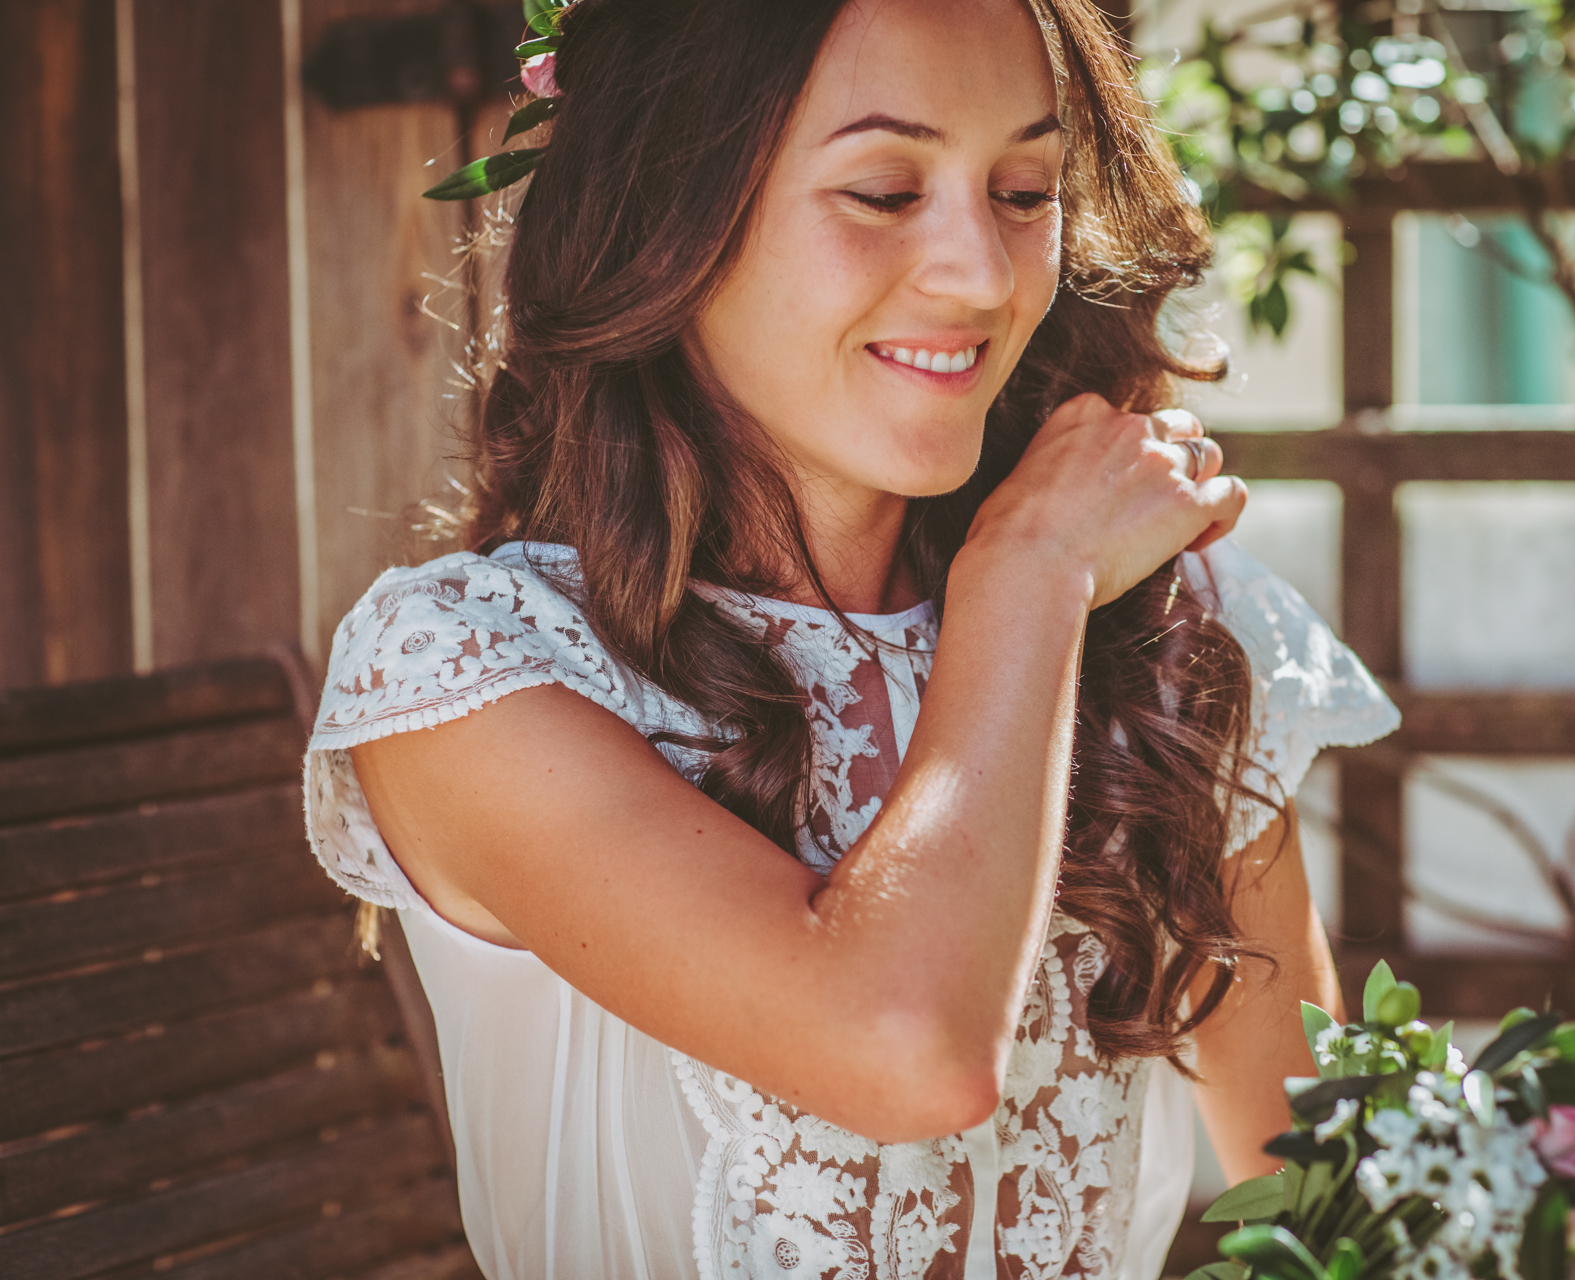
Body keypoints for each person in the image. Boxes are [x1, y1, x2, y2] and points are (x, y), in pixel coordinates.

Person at [304, 0, 1399, 1275]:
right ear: (673, 214)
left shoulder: (1172, 636)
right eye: (882, 189)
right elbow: (908, 1045)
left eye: (1025, 189)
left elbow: (1340, 1201)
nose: (982, 274)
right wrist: (1027, 573)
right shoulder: (469, 681)